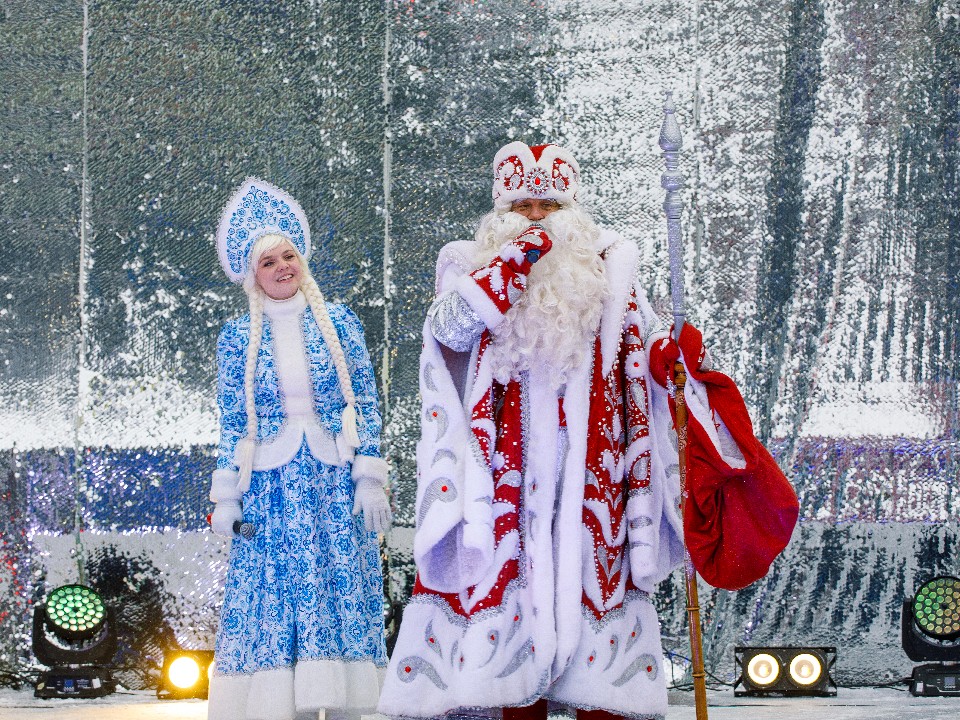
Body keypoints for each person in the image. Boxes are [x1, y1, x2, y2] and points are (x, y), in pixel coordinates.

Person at [377, 141, 743, 720]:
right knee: (509, 629)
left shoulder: (607, 269)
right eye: (523, 206)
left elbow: (642, 341)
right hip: (503, 476)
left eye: (548, 206)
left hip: (593, 474)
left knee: (593, 607)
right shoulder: (468, 264)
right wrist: (514, 263)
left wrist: (667, 355)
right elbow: (448, 331)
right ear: (501, 212)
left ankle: (598, 695)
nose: (537, 217)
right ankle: (510, 695)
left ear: (572, 209)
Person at [207, 178, 391, 720]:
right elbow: (233, 419)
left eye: (289, 255)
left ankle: (338, 698)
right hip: (269, 485)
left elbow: (366, 401)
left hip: (330, 478)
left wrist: (371, 474)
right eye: (269, 261)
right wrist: (226, 495)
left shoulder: (340, 323)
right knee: (274, 589)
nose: (283, 266)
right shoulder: (237, 336)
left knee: (336, 583)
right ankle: (273, 703)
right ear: (251, 273)